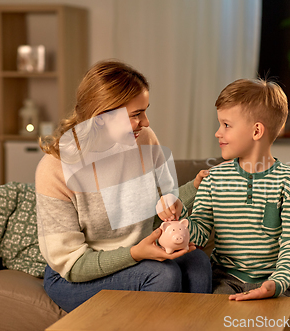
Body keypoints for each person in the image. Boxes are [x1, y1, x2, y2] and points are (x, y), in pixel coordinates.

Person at [36, 60, 212, 313]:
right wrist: (135, 254)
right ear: (100, 118)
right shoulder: (55, 169)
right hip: (73, 276)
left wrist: (190, 190)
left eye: (145, 111)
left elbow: (160, 209)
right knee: (162, 274)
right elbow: (73, 265)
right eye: (136, 115)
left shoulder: (144, 142)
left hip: (139, 256)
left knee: (196, 262)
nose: (147, 122)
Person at [187, 78, 290, 301]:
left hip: (274, 282)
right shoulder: (214, 178)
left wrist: (277, 283)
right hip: (226, 279)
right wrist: (180, 223)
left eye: (226, 125)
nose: (217, 133)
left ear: (256, 131)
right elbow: (200, 233)